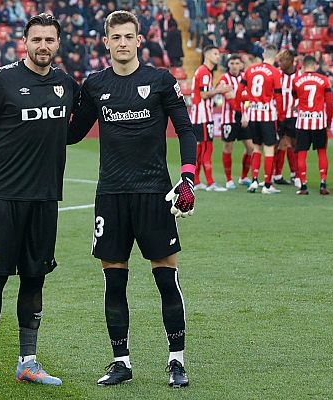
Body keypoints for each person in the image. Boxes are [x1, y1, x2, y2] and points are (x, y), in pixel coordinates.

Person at [67, 10, 196, 388]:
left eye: (129, 36)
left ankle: (176, 360)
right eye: (116, 37)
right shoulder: (94, 85)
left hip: (155, 193)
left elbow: (186, 131)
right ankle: (120, 361)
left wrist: (187, 177)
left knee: (166, 280)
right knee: (114, 283)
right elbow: (72, 133)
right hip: (111, 195)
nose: (122, 43)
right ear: (105, 42)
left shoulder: (159, 80)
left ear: (139, 40)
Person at [0, 13, 77, 390]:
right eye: (36, 39)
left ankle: (28, 362)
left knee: (35, 278)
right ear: (25, 42)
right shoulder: (1, 80)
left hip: (45, 199)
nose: (43, 46)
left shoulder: (66, 84)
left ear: (58, 44)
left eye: (50, 40)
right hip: (3, 198)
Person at [234, 44, 285, 194]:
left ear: (263, 55)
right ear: (275, 57)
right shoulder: (275, 72)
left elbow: (239, 90)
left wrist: (239, 107)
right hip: (267, 115)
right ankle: (268, 185)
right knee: (269, 150)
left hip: (253, 115)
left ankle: (254, 181)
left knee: (256, 148)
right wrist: (281, 116)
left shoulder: (250, 69)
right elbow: (279, 97)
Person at [189, 45, 230, 192]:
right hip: (203, 116)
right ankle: (210, 182)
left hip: (198, 116)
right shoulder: (205, 72)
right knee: (207, 148)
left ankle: (197, 181)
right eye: (215, 53)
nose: (218, 56)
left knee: (200, 149)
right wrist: (219, 90)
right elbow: (204, 94)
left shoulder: (203, 71)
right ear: (207, 55)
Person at [291, 55, 333, 195]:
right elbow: (330, 104)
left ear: (303, 66)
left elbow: (295, 99)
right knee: (322, 152)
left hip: (303, 121)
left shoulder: (297, 81)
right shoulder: (324, 80)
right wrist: (328, 122)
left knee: (302, 154)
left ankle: (303, 186)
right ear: (315, 65)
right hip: (319, 121)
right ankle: (323, 184)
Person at [219, 53, 253, 188]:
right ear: (228, 65)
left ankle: (243, 177)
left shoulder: (246, 78)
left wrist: (240, 98)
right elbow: (231, 99)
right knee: (228, 146)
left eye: (237, 63)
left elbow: (249, 96)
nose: (234, 66)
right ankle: (228, 179)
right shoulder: (224, 79)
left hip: (244, 118)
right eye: (232, 63)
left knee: (250, 147)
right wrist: (242, 103)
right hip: (229, 118)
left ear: (241, 65)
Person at [274, 49, 299, 186]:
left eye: (282, 60)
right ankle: (277, 175)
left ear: (290, 61)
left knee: (294, 144)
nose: (280, 63)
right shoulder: (277, 74)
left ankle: (295, 174)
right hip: (279, 115)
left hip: (294, 116)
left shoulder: (300, 75)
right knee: (280, 144)